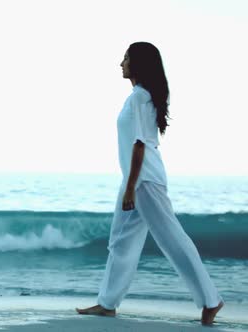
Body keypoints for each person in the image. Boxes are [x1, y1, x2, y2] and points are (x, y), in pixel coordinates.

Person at [75, 42, 224, 325]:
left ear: (138, 64)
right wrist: (128, 184)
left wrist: (131, 186)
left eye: (126, 58)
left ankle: (211, 300)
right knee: (120, 242)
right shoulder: (138, 97)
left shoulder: (139, 98)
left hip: (144, 181)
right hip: (135, 178)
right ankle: (107, 303)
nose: (121, 63)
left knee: (173, 239)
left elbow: (140, 144)